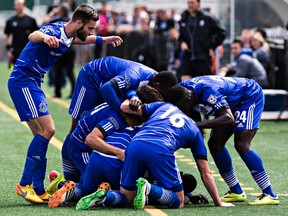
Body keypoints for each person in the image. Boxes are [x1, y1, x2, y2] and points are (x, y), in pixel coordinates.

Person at [8, 4, 123, 204]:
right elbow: (33, 35)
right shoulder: (53, 30)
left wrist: (105, 39)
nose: (91, 32)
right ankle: (24, 184)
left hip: (33, 81)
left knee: (40, 134)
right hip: (23, 81)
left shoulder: (70, 34)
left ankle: (38, 188)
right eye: (90, 28)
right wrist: (45, 38)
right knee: (48, 130)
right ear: (79, 22)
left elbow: (79, 39)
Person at [75, 101, 234, 210]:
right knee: (178, 202)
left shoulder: (164, 106)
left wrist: (134, 100)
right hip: (160, 149)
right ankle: (148, 188)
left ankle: (104, 197)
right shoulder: (195, 132)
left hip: (134, 145)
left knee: (127, 198)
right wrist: (218, 203)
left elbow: (125, 107)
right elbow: (205, 173)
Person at [166, 76, 279, 205]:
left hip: (247, 96)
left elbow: (228, 118)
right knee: (215, 144)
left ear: (188, 99)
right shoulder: (181, 91)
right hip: (228, 103)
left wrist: (198, 125)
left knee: (242, 144)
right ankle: (236, 191)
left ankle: (270, 194)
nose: (182, 111)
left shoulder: (208, 92)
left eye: (182, 107)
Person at [61, 56, 178, 179]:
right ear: (157, 85)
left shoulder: (151, 83)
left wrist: (134, 97)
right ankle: (68, 175)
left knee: (102, 127)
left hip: (110, 86)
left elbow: (130, 89)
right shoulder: (134, 75)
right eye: (163, 95)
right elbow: (106, 89)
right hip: (92, 78)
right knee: (76, 129)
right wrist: (123, 114)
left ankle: (81, 173)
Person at [177, 0, 226, 81]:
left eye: (192, 3)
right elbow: (181, 37)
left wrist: (212, 47)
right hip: (188, 58)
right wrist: (182, 43)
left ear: (198, 4)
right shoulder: (183, 19)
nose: (190, 5)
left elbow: (221, 33)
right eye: (188, 3)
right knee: (185, 84)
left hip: (203, 58)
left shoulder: (207, 18)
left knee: (203, 85)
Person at [4, 0, 38, 69]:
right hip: (15, 52)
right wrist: (8, 50)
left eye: (19, 5)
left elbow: (37, 34)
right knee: (15, 73)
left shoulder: (31, 20)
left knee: (27, 72)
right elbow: (7, 36)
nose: (17, 7)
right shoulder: (10, 20)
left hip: (28, 51)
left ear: (24, 5)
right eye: (16, 5)